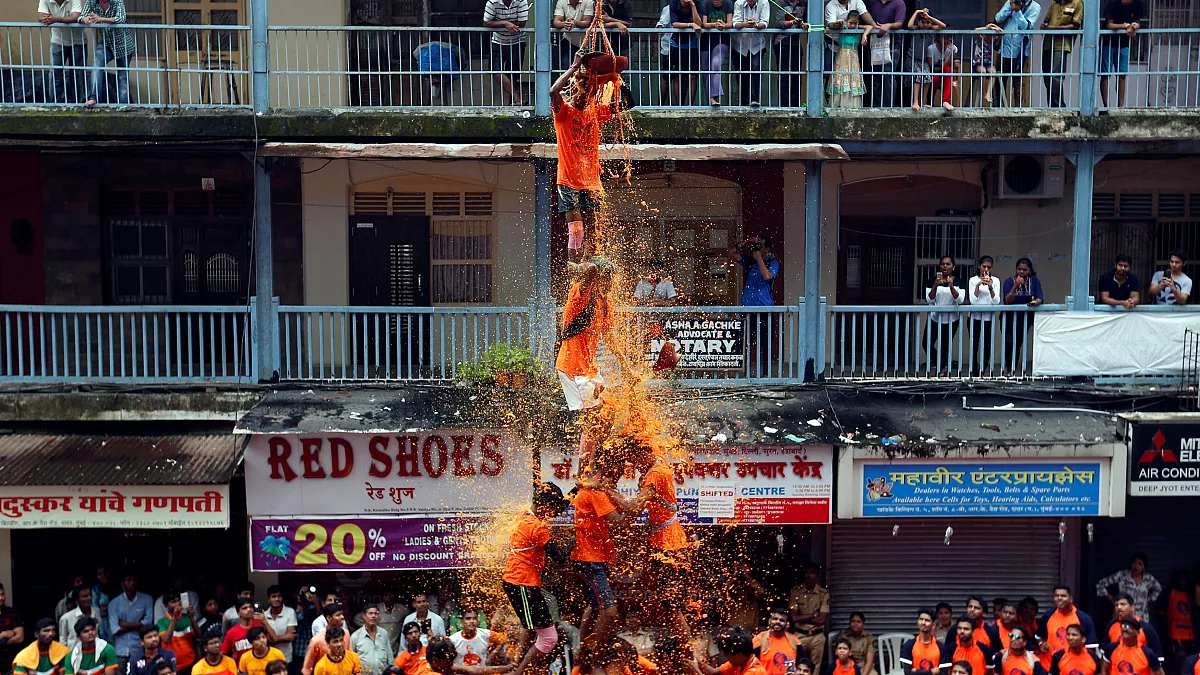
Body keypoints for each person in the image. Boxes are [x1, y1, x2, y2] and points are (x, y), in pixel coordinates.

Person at [502, 482, 568, 675]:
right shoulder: (537, 527)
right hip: (522, 584)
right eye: (553, 508)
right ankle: (518, 672)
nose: (555, 513)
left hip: (521, 583)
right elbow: (561, 556)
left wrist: (578, 488)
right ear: (545, 505)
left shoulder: (525, 514)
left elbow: (562, 505)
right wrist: (579, 538)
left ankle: (516, 663)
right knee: (549, 639)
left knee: (532, 628)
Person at [79, 0, 133, 107]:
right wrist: (85, 20)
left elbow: (121, 18)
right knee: (97, 65)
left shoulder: (117, 1)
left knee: (122, 76)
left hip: (123, 44)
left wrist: (101, 19)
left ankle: (123, 105)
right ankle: (93, 97)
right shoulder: (92, 2)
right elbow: (80, 17)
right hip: (105, 42)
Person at [37, 0, 86, 104]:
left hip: (78, 42)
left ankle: (78, 103)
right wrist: (47, 19)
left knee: (77, 75)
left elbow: (75, 17)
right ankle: (54, 103)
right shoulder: (45, 0)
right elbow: (41, 17)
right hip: (57, 41)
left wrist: (55, 19)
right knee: (55, 74)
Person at [994, 0, 1041, 107]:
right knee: (999, 79)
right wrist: (1010, 7)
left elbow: (1026, 27)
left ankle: (1018, 109)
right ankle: (999, 108)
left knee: (1018, 82)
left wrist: (1018, 11)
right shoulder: (1010, 2)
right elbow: (998, 18)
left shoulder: (1035, 7)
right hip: (1004, 47)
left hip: (1020, 50)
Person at [1001, 257, 1042, 375]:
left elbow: (1040, 297)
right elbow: (1007, 300)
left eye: (1025, 269)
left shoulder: (1034, 281)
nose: (1022, 272)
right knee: (1009, 342)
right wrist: (1015, 286)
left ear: (1030, 271)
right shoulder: (1009, 281)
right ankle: (1007, 367)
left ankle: (1012, 368)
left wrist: (1035, 302)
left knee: (1017, 343)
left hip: (1024, 319)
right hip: (1009, 318)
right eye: (1019, 269)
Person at [483, 0, 528, 106]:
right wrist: (505, 23)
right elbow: (486, 23)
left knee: (513, 74)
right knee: (495, 71)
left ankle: (510, 103)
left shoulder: (521, 1)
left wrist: (497, 22)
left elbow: (522, 23)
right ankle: (517, 98)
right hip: (498, 40)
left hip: (518, 40)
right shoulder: (492, 2)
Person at [1100, 0, 1143, 109]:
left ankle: (1120, 107)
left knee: (1122, 75)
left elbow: (1138, 21)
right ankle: (1106, 107)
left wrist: (1135, 25)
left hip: (1124, 44)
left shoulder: (1137, 4)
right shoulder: (1113, 3)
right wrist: (1124, 26)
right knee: (1105, 75)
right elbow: (1109, 24)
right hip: (1108, 43)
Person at [925, 256, 964, 377]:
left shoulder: (958, 281)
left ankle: (943, 369)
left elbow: (960, 300)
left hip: (952, 319)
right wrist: (935, 285)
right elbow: (929, 299)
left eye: (948, 264)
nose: (945, 266)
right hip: (935, 317)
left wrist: (951, 286)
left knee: (945, 345)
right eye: (943, 264)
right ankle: (942, 364)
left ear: (953, 267)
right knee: (926, 343)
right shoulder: (932, 280)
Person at [109, 573, 153, 674]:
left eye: (134, 580)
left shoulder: (147, 599)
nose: (132, 583)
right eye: (128, 580)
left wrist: (124, 624)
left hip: (140, 647)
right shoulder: (114, 603)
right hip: (120, 649)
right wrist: (139, 624)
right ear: (122, 583)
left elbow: (148, 623)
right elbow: (115, 629)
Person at [789, 563, 830, 673]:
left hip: (817, 635)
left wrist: (802, 617)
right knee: (797, 665)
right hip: (800, 634)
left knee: (815, 668)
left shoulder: (823, 593)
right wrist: (813, 615)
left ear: (817, 575)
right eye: (807, 572)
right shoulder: (796, 592)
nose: (809, 575)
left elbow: (822, 620)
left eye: (812, 573)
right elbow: (794, 618)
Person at [1042, 0, 1083, 108]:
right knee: (1047, 76)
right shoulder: (1055, 4)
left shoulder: (1076, 3)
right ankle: (1052, 105)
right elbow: (1046, 20)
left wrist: (1053, 28)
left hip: (1062, 44)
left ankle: (1058, 106)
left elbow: (1075, 25)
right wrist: (1045, 26)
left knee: (1056, 76)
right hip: (1048, 43)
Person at [1096, 556, 1163, 621]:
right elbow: (1100, 585)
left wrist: (1148, 599)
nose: (1136, 566)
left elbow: (1158, 588)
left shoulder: (1148, 579)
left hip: (1141, 618)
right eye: (1134, 562)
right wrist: (1113, 600)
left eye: (1140, 564)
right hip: (1124, 616)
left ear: (1144, 568)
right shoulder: (1121, 575)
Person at [864, 0, 904, 108]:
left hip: (892, 46)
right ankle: (876, 107)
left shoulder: (899, 2)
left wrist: (889, 26)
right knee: (875, 77)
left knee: (888, 77)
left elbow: (900, 23)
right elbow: (867, 19)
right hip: (875, 44)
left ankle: (888, 108)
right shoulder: (873, 2)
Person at [906, 9, 947, 110]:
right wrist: (916, 12)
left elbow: (943, 26)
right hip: (912, 59)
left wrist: (929, 18)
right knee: (918, 76)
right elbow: (909, 25)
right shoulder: (916, 29)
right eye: (923, 22)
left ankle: (923, 101)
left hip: (923, 60)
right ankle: (915, 101)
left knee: (928, 77)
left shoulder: (931, 30)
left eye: (928, 22)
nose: (925, 24)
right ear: (918, 22)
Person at [1036, 587, 1098, 655]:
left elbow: (1091, 647)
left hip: (1073, 663)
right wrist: (1041, 644)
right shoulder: (1048, 615)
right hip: (1050, 663)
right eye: (1056, 596)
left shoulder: (1084, 619)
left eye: (1063, 596)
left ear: (1071, 599)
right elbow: (1039, 637)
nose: (1059, 598)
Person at [827, 12, 869, 108]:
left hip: (853, 55)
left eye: (855, 23)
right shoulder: (843, 27)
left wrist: (864, 35)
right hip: (842, 55)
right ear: (847, 21)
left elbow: (870, 26)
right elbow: (835, 25)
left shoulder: (858, 28)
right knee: (840, 77)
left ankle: (851, 104)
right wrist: (840, 22)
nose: (853, 25)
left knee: (853, 77)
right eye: (851, 23)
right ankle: (838, 103)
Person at [731, 0, 770, 107]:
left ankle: (754, 99)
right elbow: (735, 23)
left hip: (757, 45)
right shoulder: (739, 3)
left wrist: (756, 25)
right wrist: (746, 24)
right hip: (740, 44)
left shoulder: (764, 3)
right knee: (742, 73)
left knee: (755, 69)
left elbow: (765, 22)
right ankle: (743, 102)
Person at [968, 256, 1001, 376]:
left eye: (989, 267)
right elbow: (973, 301)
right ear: (979, 266)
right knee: (974, 345)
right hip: (974, 317)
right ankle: (974, 370)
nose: (986, 269)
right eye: (984, 266)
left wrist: (990, 287)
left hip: (988, 318)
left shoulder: (996, 281)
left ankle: (983, 368)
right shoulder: (973, 280)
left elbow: (996, 301)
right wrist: (978, 285)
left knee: (987, 345)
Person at [667, 0, 703, 106]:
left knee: (692, 76)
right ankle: (679, 105)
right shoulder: (674, 4)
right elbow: (674, 23)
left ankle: (691, 105)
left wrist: (693, 6)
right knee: (677, 76)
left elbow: (699, 23)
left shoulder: (697, 4)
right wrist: (690, 25)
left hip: (691, 45)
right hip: (676, 44)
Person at [753, 608, 809, 675]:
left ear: (787, 624)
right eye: (775, 619)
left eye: (781, 620)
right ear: (769, 621)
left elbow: (802, 666)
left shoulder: (795, 642)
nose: (778, 622)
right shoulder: (759, 640)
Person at [774, 0, 807, 108]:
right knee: (783, 74)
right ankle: (784, 106)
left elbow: (807, 20)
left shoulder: (803, 2)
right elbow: (779, 23)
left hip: (796, 42)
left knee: (796, 75)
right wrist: (791, 22)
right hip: (782, 40)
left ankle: (795, 105)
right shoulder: (779, 2)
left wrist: (804, 25)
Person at [700, 0, 732, 107]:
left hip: (722, 41)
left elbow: (729, 23)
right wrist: (715, 25)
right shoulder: (706, 4)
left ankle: (714, 97)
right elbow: (704, 23)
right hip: (706, 41)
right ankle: (710, 101)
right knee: (706, 71)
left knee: (715, 63)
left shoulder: (728, 3)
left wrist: (723, 26)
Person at [731, 236, 778, 306]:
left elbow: (767, 276)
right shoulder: (751, 262)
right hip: (748, 306)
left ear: (767, 249)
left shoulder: (772, 262)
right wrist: (747, 241)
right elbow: (732, 253)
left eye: (760, 246)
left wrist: (759, 259)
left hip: (764, 306)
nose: (757, 249)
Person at [155, 593, 195, 674]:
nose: (177, 604)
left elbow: (199, 636)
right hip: (172, 666)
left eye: (178, 601)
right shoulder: (161, 622)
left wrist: (191, 617)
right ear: (166, 606)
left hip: (190, 663)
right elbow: (166, 639)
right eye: (173, 602)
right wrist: (174, 618)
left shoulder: (186, 618)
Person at [697, 629, 766, 675]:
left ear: (739, 654)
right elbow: (713, 672)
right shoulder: (739, 663)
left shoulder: (755, 672)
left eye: (727, 654)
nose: (725, 656)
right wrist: (695, 661)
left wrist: (695, 671)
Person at [304, 611, 353, 675]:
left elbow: (350, 658)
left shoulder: (346, 633)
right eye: (338, 615)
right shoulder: (317, 640)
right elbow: (307, 668)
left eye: (341, 640)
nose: (342, 617)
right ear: (329, 618)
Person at [552, 0, 594, 72]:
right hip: (568, 40)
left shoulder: (588, 1)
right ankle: (567, 83)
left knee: (586, 68)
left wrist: (574, 22)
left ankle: (584, 83)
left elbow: (587, 22)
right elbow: (556, 21)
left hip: (586, 43)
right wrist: (565, 24)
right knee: (566, 66)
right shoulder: (562, 1)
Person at [1163, 572, 1193, 673]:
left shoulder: (1191, 594)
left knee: (1188, 658)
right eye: (1181, 579)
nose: (1183, 582)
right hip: (1175, 632)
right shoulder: (1170, 593)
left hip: (1190, 633)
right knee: (1179, 655)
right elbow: (1161, 611)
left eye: (1185, 580)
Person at [223, 600, 267, 665]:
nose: (249, 609)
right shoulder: (231, 632)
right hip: (241, 669)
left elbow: (271, 643)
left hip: (261, 666)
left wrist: (265, 622)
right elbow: (224, 653)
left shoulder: (260, 626)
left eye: (250, 607)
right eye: (244, 608)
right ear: (238, 613)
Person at [263, 587, 298, 666]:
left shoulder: (290, 612)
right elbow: (265, 640)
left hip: (286, 658)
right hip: (268, 658)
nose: (277, 599)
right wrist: (283, 637)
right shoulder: (264, 615)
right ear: (268, 599)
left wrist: (274, 639)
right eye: (273, 596)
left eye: (279, 596)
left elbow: (290, 637)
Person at [900, 609, 942, 675]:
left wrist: (915, 671)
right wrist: (931, 672)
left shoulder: (941, 647)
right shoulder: (909, 645)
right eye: (921, 619)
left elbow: (943, 672)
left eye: (927, 620)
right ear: (917, 622)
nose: (923, 622)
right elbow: (907, 673)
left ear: (933, 625)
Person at [353, 608, 394, 675]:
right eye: (370, 613)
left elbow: (390, 657)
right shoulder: (355, 636)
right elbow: (351, 662)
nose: (373, 616)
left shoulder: (383, 633)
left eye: (376, 613)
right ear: (364, 616)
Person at [972, 26, 1002, 106]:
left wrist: (994, 27)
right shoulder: (980, 39)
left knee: (993, 72)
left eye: (990, 35)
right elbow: (976, 30)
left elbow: (1002, 33)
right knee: (983, 72)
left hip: (988, 62)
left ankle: (988, 93)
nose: (989, 38)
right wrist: (987, 27)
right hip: (978, 62)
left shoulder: (993, 41)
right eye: (987, 35)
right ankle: (984, 92)